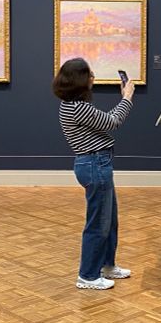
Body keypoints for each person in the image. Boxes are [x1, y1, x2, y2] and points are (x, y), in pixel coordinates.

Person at [53, 58, 135, 290]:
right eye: (89, 74)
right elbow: (113, 121)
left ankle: (107, 265)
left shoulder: (72, 105)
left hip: (96, 163)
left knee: (109, 220)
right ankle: (88, 276)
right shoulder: (77, 107)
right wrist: (127, 97)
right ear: (79, 80)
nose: (93, 77)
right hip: (94, 164)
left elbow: (103, 122)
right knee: (98, 223)